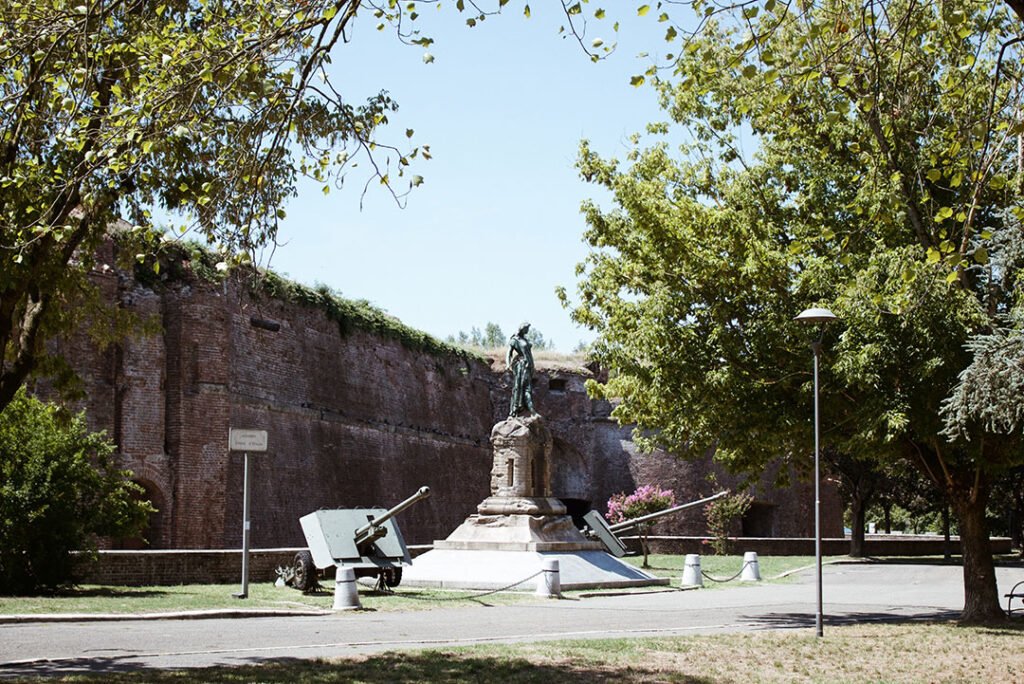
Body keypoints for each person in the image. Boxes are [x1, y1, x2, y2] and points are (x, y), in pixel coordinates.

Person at [506, 322, 537, 417]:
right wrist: (508, 364)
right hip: (521, 366)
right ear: (522, 328)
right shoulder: (515, 340)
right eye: (527, 328)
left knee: (527, 389)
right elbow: (509, 354)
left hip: (529, 367)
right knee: (521, 388)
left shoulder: (525, 339)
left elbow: (530, 354)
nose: (528, 330)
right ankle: (526, 411)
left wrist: (532, 367)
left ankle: (530, 411)